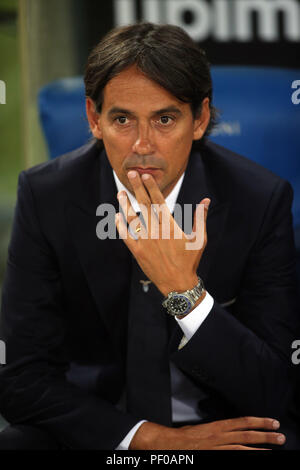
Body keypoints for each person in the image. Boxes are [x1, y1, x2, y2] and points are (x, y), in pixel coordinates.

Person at [0, 22, 300, 450]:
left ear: (199, 120)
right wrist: (150, 440)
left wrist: (184, 292)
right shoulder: (46, 197)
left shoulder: (259, 201)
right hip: (102, 434)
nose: (143, 144)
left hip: (219, 430)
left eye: (164, 119)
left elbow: (275, 389)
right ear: (93, 119)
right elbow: (19, 378)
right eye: (122, 119)